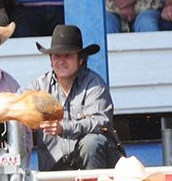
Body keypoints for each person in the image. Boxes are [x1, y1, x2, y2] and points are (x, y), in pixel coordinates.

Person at [28, 25, 124, 172]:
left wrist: (63, 128)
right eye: (56, 56)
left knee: (92, 142)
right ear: (50, 59)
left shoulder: (94, 84)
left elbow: (100, 122)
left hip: (97, 167)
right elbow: (20, 104)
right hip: (55, 169)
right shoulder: (39, 86)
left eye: (67, 55)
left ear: (81, 60)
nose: (61, 61)